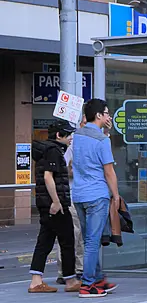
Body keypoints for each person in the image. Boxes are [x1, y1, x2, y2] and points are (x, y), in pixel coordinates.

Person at [71, 98, 119, 298]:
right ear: (99, 115)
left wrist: (105, 131)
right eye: (106, 113)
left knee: (90, 239)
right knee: (92, 241)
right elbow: (108, 171)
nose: (109, 116)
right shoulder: (102, 141)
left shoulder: (77, 136)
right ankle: (88, 284)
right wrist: (115, 195)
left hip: (79, 194)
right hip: (97, 195)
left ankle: (97, 278)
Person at [28, 122, 81, 293]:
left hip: (46, 203)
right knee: (67, 240)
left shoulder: (48, 150)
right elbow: (48, 177)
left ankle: (36, 281)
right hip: (55, 204)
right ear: (59, 135)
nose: (71, 137)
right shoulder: (53, 150)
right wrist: (57, 202)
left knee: (45, 241)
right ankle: (70, 280)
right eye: (68, 134)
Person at [55, 114, 86, 284]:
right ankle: (64, 271)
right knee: (70, 233)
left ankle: (79, 268)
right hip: (72, 194)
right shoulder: (71, 145)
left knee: (81, 234)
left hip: (84, 194)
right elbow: (63, 169)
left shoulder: (91, 143)